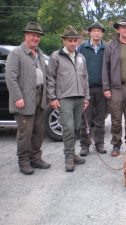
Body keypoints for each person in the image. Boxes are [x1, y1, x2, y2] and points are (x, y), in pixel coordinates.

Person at [5, 22, 51, 175]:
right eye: (33, 35)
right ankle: (23, 161)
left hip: (39, 96)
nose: (35, 38)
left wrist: (47, 96)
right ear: (25, 35)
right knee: (25, 132)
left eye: (38, 36)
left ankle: (35, 158)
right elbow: (10, 77)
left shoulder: (38, 52)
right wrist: (17, 97)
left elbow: (44, 75)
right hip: (24, 99)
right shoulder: (16, 53)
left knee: (39, 131)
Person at [47, 25, 90, 172]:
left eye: (75, 41)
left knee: (77, 127)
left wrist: (86, 96)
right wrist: (52, 97)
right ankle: (68, 158)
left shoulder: (81, 57)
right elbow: (50, 78)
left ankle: (73, 154)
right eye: (69, 40)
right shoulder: (55, 56)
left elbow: (85, 78)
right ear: (64, 41)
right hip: (64, 98)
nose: (72, 43)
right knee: (68, 128)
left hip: (79, 98)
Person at [102, 17, 126, 157]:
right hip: (116, 88)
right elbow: (105, 68)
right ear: (118, 29)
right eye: (123, 27)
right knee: (116, 119)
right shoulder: (110, 46)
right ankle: (116, 145)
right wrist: (106, 88)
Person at [78, 21, 107, 156]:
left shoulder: (106, 48)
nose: (96, 33)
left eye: (99, 31)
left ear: (102, 33)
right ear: (89, 32)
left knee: (100, 118)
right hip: (87, 89)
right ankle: (84, 145)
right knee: (86, 119)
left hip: (102, 89)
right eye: (94, 30)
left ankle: (99, 143)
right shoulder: (82, 48)